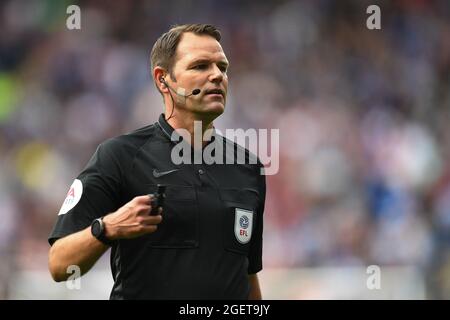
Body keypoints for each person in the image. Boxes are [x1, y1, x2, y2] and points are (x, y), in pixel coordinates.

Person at [48, 24, 266, 300]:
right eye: (200, 66)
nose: (216, 76)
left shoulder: (248, 168)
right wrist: (108, 227)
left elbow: (246, 274)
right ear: (163, 80)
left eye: (222, 68)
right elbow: (59, 265)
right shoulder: (119, 156)